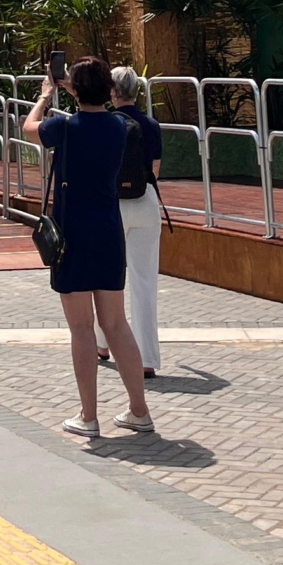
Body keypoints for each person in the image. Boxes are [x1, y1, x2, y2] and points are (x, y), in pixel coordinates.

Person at [23, 58, 153, 441]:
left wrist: (46, 95)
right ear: (109, 91)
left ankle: (89, 415)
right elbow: (96, 106)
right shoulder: (118, 126)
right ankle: (139, 410)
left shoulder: (63, 127)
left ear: (76, 91)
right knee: (116, 324)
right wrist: (76, 87)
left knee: (81, 327)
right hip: (109, 231)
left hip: (73, 235)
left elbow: (28, 128)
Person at [109, 66, 164, 377]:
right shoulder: (151, 125)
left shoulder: (107, 124)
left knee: (106, 277)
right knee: (144, 282)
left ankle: (102, 343)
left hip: (111, 205)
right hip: (145, 203)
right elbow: (155, 171)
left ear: (113, 92)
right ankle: (146, 359)